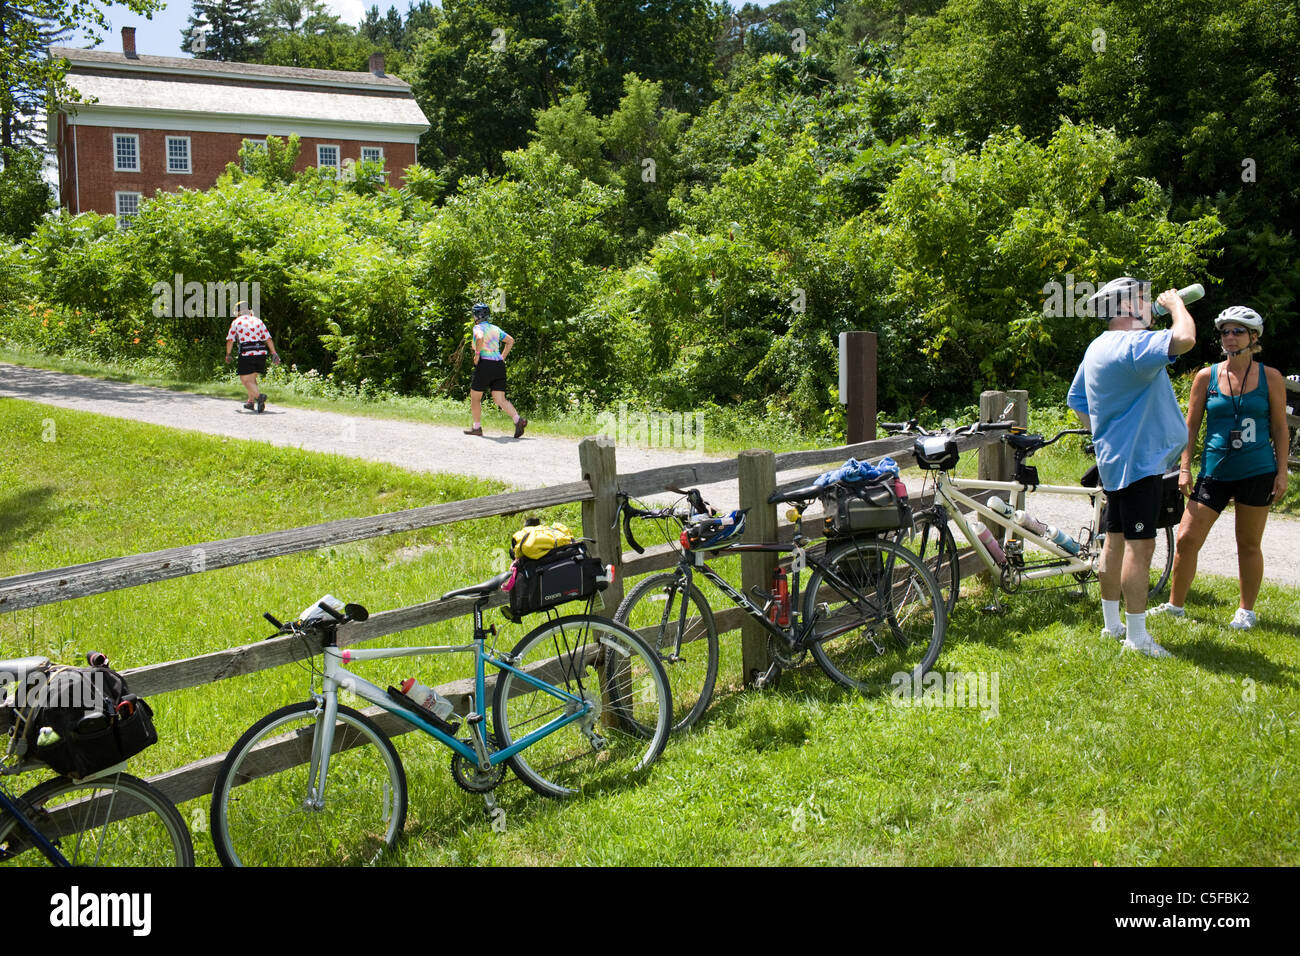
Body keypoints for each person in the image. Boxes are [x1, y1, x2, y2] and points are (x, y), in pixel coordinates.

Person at [1067, 277, 1197, 657]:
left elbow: (1077, 401)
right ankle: (1137, 638)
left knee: (1114, 541)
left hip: (1113, 460)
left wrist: (1110, 429)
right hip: (1140, 462)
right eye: (1143, 298)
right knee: (1141, 548)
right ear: (1125, 307)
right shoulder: (1133, 344)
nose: (1149, 304)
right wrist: (1175, 305)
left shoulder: (1097, 348)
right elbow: (1185, 339)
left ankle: (1112, 626)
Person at [1150, 307, 1289, 629]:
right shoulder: (1206, 376)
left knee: (1248, 543)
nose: (1229, 337)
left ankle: (1246, 611)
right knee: (1186, 538)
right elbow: (1191, 425)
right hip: (1215, 471)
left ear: (1254, 338)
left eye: (1237, 331)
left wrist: (1281, 472)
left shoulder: (1271, 378)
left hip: (1257, 470)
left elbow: (1281, 428)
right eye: (1225, 331)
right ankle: (1175, 605)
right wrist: (1184, 467)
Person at [463, 303, 527, 438]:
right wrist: (502, 357)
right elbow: (510, 341)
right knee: (500, 399)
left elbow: (479, 338)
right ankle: (518, 420)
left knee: (475, 398)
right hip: (498, 366)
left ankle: (477, 427)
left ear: (476, 316)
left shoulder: (478, 327)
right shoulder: (495, 329)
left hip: (484, 364)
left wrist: (477, 354)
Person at [225, 302, 280, 413]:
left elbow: (230, 340)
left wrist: (228, 354)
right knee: (252, 379)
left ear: (238, 311)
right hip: (261, 353)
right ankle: (250, 402)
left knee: (245, 380)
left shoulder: (237, 322)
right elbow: (268, 339)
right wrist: (274, 353)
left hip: (247, 353)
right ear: (250, 310)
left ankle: (259, 397)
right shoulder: (258, 321)